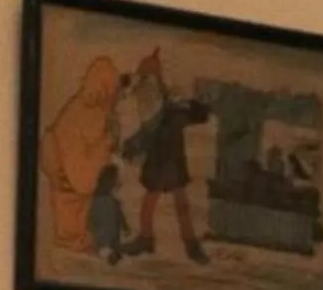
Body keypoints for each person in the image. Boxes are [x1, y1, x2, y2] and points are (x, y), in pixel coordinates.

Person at [120, 50, 213, 265]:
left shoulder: (171, 103)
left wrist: (198, 104)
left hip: (171, 158)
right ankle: (147, 239)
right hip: (159, 157)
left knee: (178, 202)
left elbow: (195, 115)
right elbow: (148, 125)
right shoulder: (150, 96)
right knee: (153, 199)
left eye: (152, 74)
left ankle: (190, 245)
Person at [38, 54, 123, 255]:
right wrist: (108, 140)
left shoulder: (89, 109)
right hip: (70, 170)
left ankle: (80, 236)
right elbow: (83, 153)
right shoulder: (86, 112)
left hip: (69, 170)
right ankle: (77, 238)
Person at [86, 161, 130, 267]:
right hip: (104, 240)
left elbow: (90, 219)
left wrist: (125, 227)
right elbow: (91, 219)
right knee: (106, 247)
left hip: (107, 240)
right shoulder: (107, 201)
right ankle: (110, 253)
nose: (119, 183)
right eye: (117, 181)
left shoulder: (101, 200)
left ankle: (111, 252)